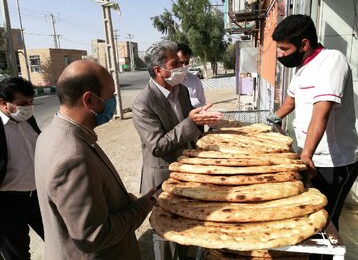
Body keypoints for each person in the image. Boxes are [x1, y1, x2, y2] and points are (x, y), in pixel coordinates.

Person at [34, 60, 156, 260]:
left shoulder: (50, 134)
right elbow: (94, 236)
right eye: (110, 96)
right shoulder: (72, 157)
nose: (114, 101)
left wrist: (123, 202)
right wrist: (142, 206)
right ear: (89, 100)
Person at [132, 40, 222, 260]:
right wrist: (191, 123)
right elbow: (157, 146)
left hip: (187, 172)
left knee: (187, 228)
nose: (182, 68)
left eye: (183, 63)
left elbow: (190, 124)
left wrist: (202, 121)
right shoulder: (143, 104)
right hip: (163, 178)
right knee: (168, 237)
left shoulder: (180, 90)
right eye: (175, 64)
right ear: (158, 70)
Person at [269, 14, 358, 230]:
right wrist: (272, 119)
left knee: (325, 221)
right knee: (307, 214)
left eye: (284, 49)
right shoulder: (302, 68)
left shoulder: (332, 61)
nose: (280, 55)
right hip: (310, 156)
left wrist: (306, 153)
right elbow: (291, 99)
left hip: (334, 161)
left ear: (304, 44)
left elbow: (322, 111)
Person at [0, 77, 44, 260]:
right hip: (8, 204)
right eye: (23, 103)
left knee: (62, 239)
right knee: (17, 255)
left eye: (31, 102)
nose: (29, 107)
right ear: (3, 103)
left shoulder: (29, 119)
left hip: (39, 197)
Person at [177, 43, 206, 107]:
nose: (184, 66)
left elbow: (202, 103)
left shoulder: (195, 81)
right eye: (181, 62)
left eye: (186, 62)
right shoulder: (165, 81)